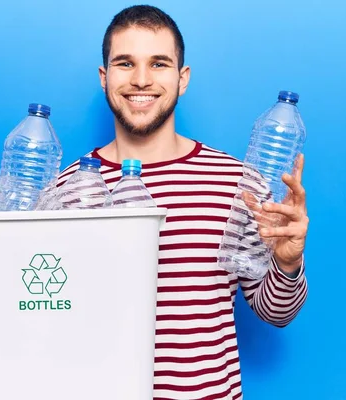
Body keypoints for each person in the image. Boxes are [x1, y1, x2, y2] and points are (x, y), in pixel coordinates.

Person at [57, 5, 309, 399]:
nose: (141, 80)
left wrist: (288, 262)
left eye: (159, 63)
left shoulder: (237, 182)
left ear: (182, 78)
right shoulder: (69, 188)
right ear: (104, 78)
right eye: (125, 63)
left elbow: (276, 313)